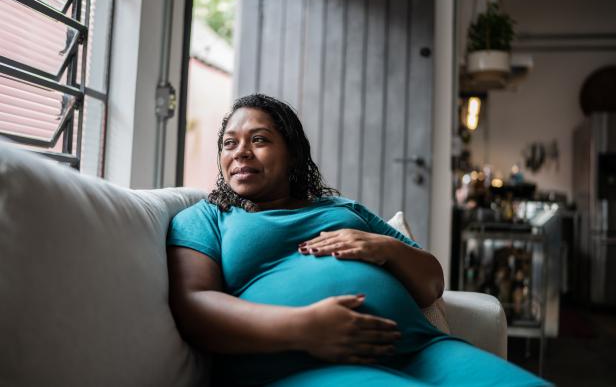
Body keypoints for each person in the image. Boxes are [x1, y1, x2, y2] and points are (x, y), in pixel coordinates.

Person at [166, 94, 552, 386]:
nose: (240, 153)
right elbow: (195, 306)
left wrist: (385, 248)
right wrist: (304, 327)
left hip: (420, 348)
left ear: (293, 154)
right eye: (229, 143)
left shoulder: (342, 209)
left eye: (259, 139)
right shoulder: (206, 218)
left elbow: (432, 282)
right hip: (302, 361)